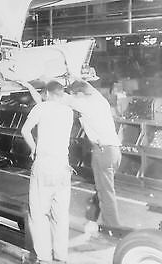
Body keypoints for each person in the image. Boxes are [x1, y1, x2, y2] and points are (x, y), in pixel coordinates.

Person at [21, 80, 73, 263]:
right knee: (60, 215)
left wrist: (34, 148)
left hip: (44, 166)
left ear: (48, 94)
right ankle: (61, 257)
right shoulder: (68, 111)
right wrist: (28, 86)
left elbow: (25, 131)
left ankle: (44, 258)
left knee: (38, 214)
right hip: (63, 168)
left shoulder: (41, 109)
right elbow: (46, 102)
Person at [64, 77, 122, 229]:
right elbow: (87, 86)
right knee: (102, 188)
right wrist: (74, 76)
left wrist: (43, 80)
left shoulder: (85, 104)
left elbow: (62, 97)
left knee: (105, 193)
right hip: (114, 151)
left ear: (80, 94)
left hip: (103, 152)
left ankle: (113, 228)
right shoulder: (99, 99)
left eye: (75, 94)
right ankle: (92, 219)